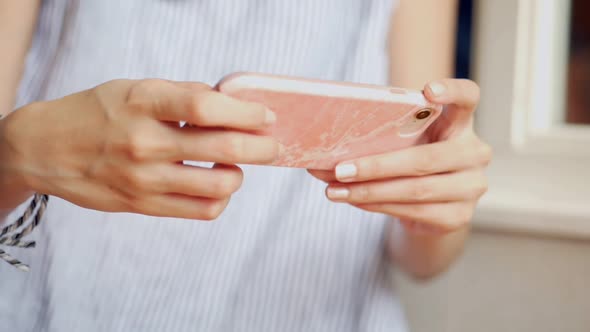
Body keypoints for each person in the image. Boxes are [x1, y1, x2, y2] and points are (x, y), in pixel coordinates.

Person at [0, 0, 491, 331]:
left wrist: (433, 206)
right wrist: (19, 154)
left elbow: (423, 259)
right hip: (53, 300)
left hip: (316, 310)